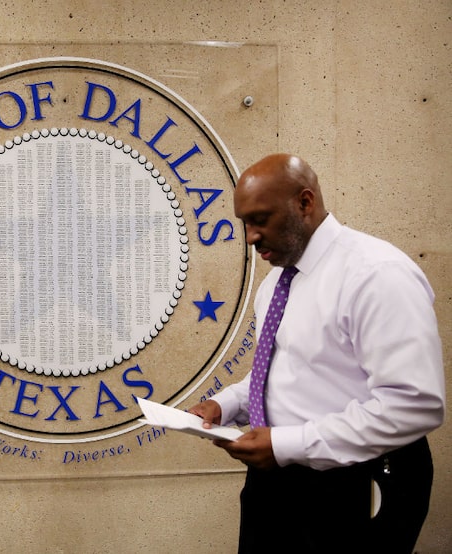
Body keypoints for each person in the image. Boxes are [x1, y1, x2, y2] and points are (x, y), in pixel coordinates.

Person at [188, 153, 445, 553]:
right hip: (276, 481)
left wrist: (287, 444)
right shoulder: (276, 284)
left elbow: (414, 406)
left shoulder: (376, 275)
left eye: (260, 219)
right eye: (245, 223)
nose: (250, 236)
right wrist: (224, 405)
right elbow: (280, 373)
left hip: (355, 484)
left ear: (305, 203)